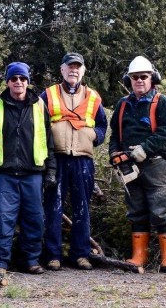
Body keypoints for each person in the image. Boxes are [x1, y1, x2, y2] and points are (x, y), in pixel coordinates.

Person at [0, 62, 56, 275]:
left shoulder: (39, 105)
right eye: (14, 79)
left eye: (22, 78)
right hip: (4, 174)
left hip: (33, 173)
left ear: (28, 82)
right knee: (3, 220)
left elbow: (48, 141)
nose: (18, 82)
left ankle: (29, 260)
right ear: (7, 81)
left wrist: (51, 171)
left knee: (34, 220)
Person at [108, 56, 166, 272]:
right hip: (129, 166)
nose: (139, 80)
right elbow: (115, 136)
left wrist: (145, 148)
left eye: (143, 77)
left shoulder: (163, 102)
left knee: (161, 210)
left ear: (152, 78)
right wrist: (113, 154)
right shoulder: (122, 104)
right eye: (135, 77)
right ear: (129, 79)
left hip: (155, 164)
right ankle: (139, 256)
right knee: (136, 210)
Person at [40, 53, 107, 271]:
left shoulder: (93, 96)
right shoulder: (48, 94)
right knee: (53, 207)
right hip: (56, 158)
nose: (73, 71)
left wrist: (93, 136)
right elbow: (38, 123)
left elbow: (102, 127)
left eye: (78, 67)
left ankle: (81, 254)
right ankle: (53, 255)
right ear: (62, 70)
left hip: (83, 159)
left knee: (82, 207)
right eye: (70, 67)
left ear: (83, 71)